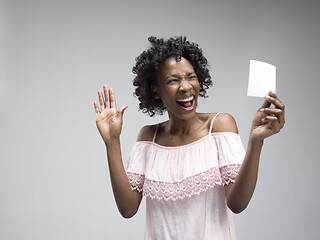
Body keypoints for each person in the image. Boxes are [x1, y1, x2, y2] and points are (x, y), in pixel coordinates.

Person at [93, 36, 285, 239]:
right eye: (173, 80)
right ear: (155, 90)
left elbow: (237, 204)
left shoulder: (219, 126)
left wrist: (256, 141)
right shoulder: (149, 137)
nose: (185, 87)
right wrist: (112, 142)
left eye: (191, 77)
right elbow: (127, 208)